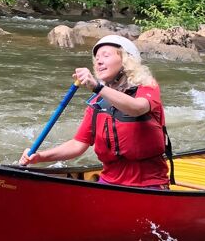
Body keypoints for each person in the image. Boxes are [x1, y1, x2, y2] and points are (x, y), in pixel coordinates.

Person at [19, 35, 171, 188]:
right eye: (97, 58)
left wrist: (98, 87)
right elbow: (78, 144)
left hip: (149, 184)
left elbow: (137, 108)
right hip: (109, 183)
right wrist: (40, 157)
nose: (99, 61)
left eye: (106, 55)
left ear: (126, 60)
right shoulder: (97, 102)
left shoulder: (147, 87)